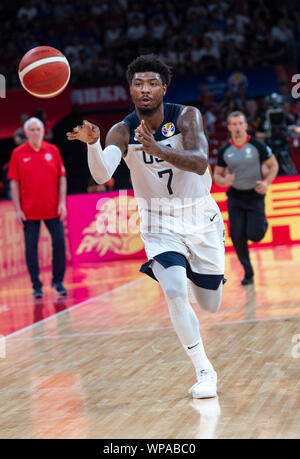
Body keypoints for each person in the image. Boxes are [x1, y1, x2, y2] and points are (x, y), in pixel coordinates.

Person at [67, 54, 226, 399]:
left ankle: (200, 273)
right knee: (173, 290)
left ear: (163, 88)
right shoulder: (122, 130)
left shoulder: (186, 115)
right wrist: (94, 144)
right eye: (138, 83)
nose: (145, 89)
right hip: (158, 221)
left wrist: (159, 150)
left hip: (199, 216)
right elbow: (102, 173)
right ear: (130, 89)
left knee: (210, 303)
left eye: (152, 83)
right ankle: (204, 370)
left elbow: (200, 163)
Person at [213, 111, 279, 285]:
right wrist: (224, 180)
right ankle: (248, 273)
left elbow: (273, 166)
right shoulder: (224, 150)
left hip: (255, 194)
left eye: (240, 123)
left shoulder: (258, 146)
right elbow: (216, 176)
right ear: (229, 127)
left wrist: (267, 184)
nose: (237, 127)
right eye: (233, 124)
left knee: (255, 235)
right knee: (237, 236)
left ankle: (262, 224)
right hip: (235, 196)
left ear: (245, 125)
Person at [8, 117, 68, 299]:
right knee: (31, 249)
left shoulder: (53, 150)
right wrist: (18, 209)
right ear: (26, 133)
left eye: (38, 129)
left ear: (43, 131)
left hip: (52, 208)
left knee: (59, 243)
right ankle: (36, 286)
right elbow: (14, 183)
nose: (35, 132)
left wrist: (62, 202)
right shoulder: (18, 153)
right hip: (29, 211)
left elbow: (62, 178)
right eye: (32, 130)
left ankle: (57, 282)